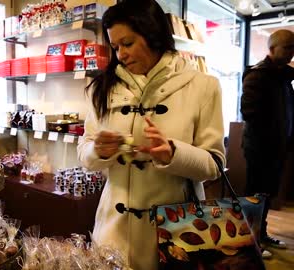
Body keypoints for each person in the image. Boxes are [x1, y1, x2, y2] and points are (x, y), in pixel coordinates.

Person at [76, 0, 225, 269]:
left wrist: (174, 153)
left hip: (173, 232)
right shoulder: (103, 88)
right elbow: (84, 154)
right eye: (115, 46)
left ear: (153, 35)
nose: (120, 54)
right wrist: (98, 150)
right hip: (113, 229)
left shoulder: (203, 87)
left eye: (128, 43)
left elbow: (214, 165)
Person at [241, 29, 294, 253]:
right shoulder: (258, 76)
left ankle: (261, 235)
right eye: (287, 48)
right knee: (255, 196)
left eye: (293, 48)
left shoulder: (283, 77)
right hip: (260, 149)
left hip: (278, 148)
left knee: (267, 195)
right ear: (272, 49)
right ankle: (249, 242)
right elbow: (249, 113)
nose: (291, 53)